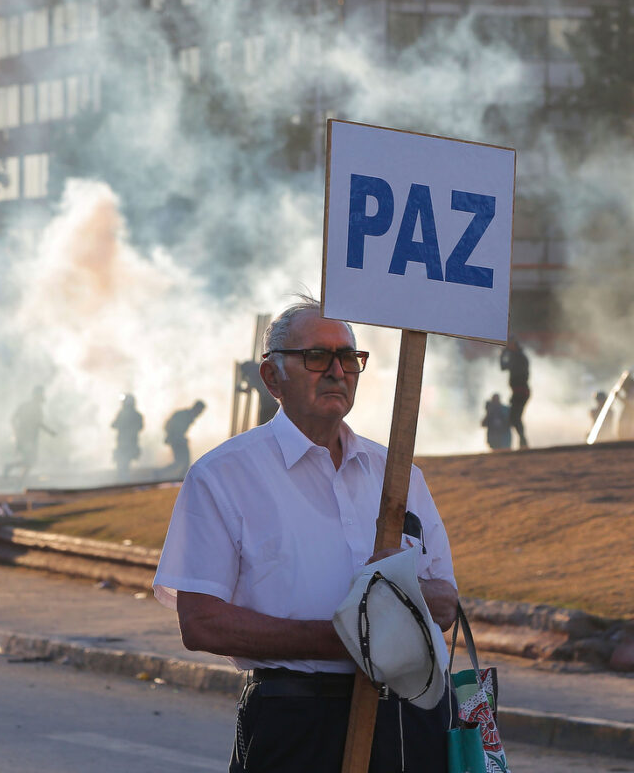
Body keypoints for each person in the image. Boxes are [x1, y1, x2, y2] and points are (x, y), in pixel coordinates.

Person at [153, 297, 458, 773]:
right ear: (272, 377)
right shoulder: (225, 475)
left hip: (410, 720)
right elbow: (202, 623)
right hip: (298, 719)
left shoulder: (396, 473)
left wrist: (412, 598)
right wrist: (350, 640)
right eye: (317, 356)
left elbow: (445, 602)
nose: (337, 371)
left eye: (349, 358)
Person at [2, 386, 56, 482]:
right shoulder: (31, 407)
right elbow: (38, 423)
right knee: (30, 460)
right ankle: (10, 468)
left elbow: (14, 419)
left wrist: (16, 432)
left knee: (31, 460)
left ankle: (21, 478)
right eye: (40, 394)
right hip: (28, 437)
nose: (42, 396)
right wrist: (50, 432)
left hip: (29, 437)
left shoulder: (29, 406)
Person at [499, 335, 530, 448]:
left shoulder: (519, 357)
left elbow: (505, 367)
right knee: (515, 418)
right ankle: (522, 441)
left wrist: (505, 354)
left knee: (515, 417)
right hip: (518, 391)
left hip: (521, 391)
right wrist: (503, 354)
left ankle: (523, 441)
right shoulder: (516, 356)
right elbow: (503, 367)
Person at [164, 399, 206, 474]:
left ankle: (181, 478)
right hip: (177, 441)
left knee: (181, 463)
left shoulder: (187, 416)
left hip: (178, 440)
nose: (200, 414)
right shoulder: (184, 415)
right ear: (196, 408)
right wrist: (179, 438)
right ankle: (161, 474)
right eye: (200, 411)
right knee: (182, 463)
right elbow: (174, 428)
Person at [111, 394, 144, 476]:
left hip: (126, 443)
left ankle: (123, 478)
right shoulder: (135, 415)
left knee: (123, 463)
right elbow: (114, 424)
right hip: (127, 442)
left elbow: (114, 424)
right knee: (123, 463)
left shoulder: (125, 414)